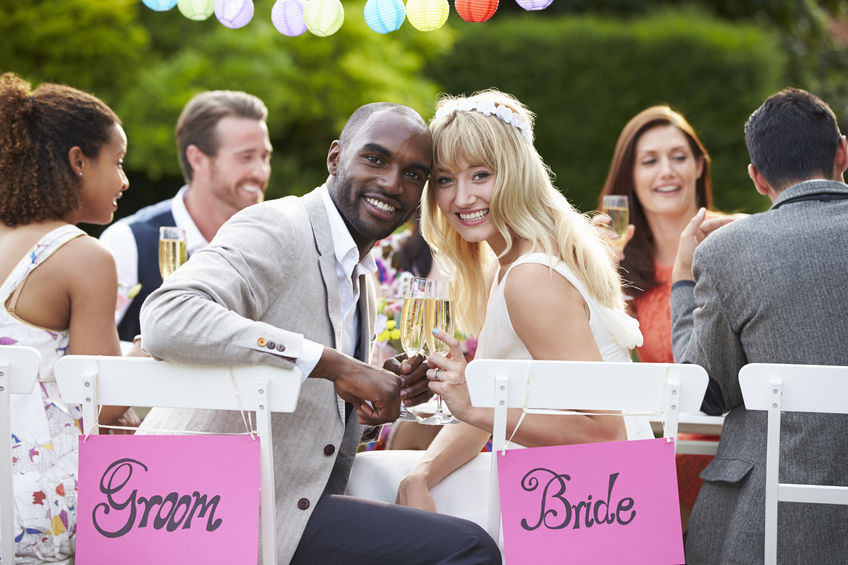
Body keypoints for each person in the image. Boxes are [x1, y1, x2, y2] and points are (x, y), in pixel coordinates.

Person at [137, 102, 501, 564]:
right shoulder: (279, 226)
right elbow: (168, 316)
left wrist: (365, 405)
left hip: (282, 508)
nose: (392, 183)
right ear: (335, 158)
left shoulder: (358, 271)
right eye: (375, 159)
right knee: (468, 548)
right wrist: (334, 365)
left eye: (413, 174)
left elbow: (307, 412)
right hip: (196, 507)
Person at [396, 89, 651, 512]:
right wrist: (420, 477)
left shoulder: (531, 277)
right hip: (570, 496)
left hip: (602, 506)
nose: (461, 198)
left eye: (480, 175)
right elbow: (487, 413)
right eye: (445, 179)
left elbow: (606, 432)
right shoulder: (511, 263)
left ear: (517, 172)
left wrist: (476, 407)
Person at [670, 87, 848, 563]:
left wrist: (682, 282)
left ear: (756, 177)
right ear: (843, 152)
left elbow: (705, 390)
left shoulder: (727, 252)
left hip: (765, 525)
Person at [0, 72, 137, 562]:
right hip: (39, 505)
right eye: (117, 162)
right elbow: (102, 404)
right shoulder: (83, 257)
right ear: (79, 161)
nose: (125, 180)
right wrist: (141, 356)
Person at [596, 105, 732, 530]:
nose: (666, 171)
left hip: (724, 440)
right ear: (630, 178)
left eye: (678, 156)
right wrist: (594, 276)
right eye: (649, 161)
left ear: (698, 166)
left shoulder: (736, 240)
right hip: (649, 443)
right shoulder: (612, 263)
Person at [100, 89, 271, 342]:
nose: (261, 172)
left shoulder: (271, 242)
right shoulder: (127, 242)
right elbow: (91, 358)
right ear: (197, 159)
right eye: (246, 157)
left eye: (265, 157)